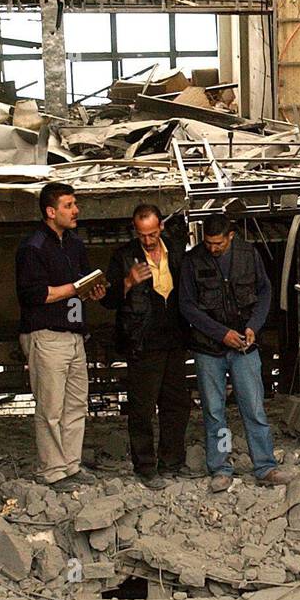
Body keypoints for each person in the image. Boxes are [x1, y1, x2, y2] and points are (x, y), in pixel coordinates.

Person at [178, 213, 290, 492]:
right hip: (208, 349)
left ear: (231, 236)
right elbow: (187, 306)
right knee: (215, 412)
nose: (213, 249)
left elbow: (265, 292)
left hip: (244, 346)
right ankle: (221, 468)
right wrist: (221, 334)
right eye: (208, 243)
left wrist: (254, 326)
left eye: (219, 243)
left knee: (254, 408)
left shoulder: (249, 254)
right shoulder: (193, 261)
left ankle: (265, 466)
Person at [15, 183, 104, 488]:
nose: (75, 210)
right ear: (51, 212)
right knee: (50, 408)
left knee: (76, 404)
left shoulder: (75, 244)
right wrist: (76, 288)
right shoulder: (33, 247)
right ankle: (51, 472)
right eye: (68, 205)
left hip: (75, 335)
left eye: (75, 203)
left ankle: (70, 466)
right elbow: (34, 294)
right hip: (46, 335)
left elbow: (80, 288)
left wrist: (92, 290)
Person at [101, 204, 191, 489]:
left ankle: (172, 463)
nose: (148, 240)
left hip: (175, 340)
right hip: (142, 343)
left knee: (176, 404)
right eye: (143, 236)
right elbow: (107, 300)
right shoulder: (124, 256)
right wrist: (127, 282)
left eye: (152, 234)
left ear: (161, 228)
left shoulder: (176, 250)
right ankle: (145, 467)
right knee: (141, 408)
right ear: (135, 231)